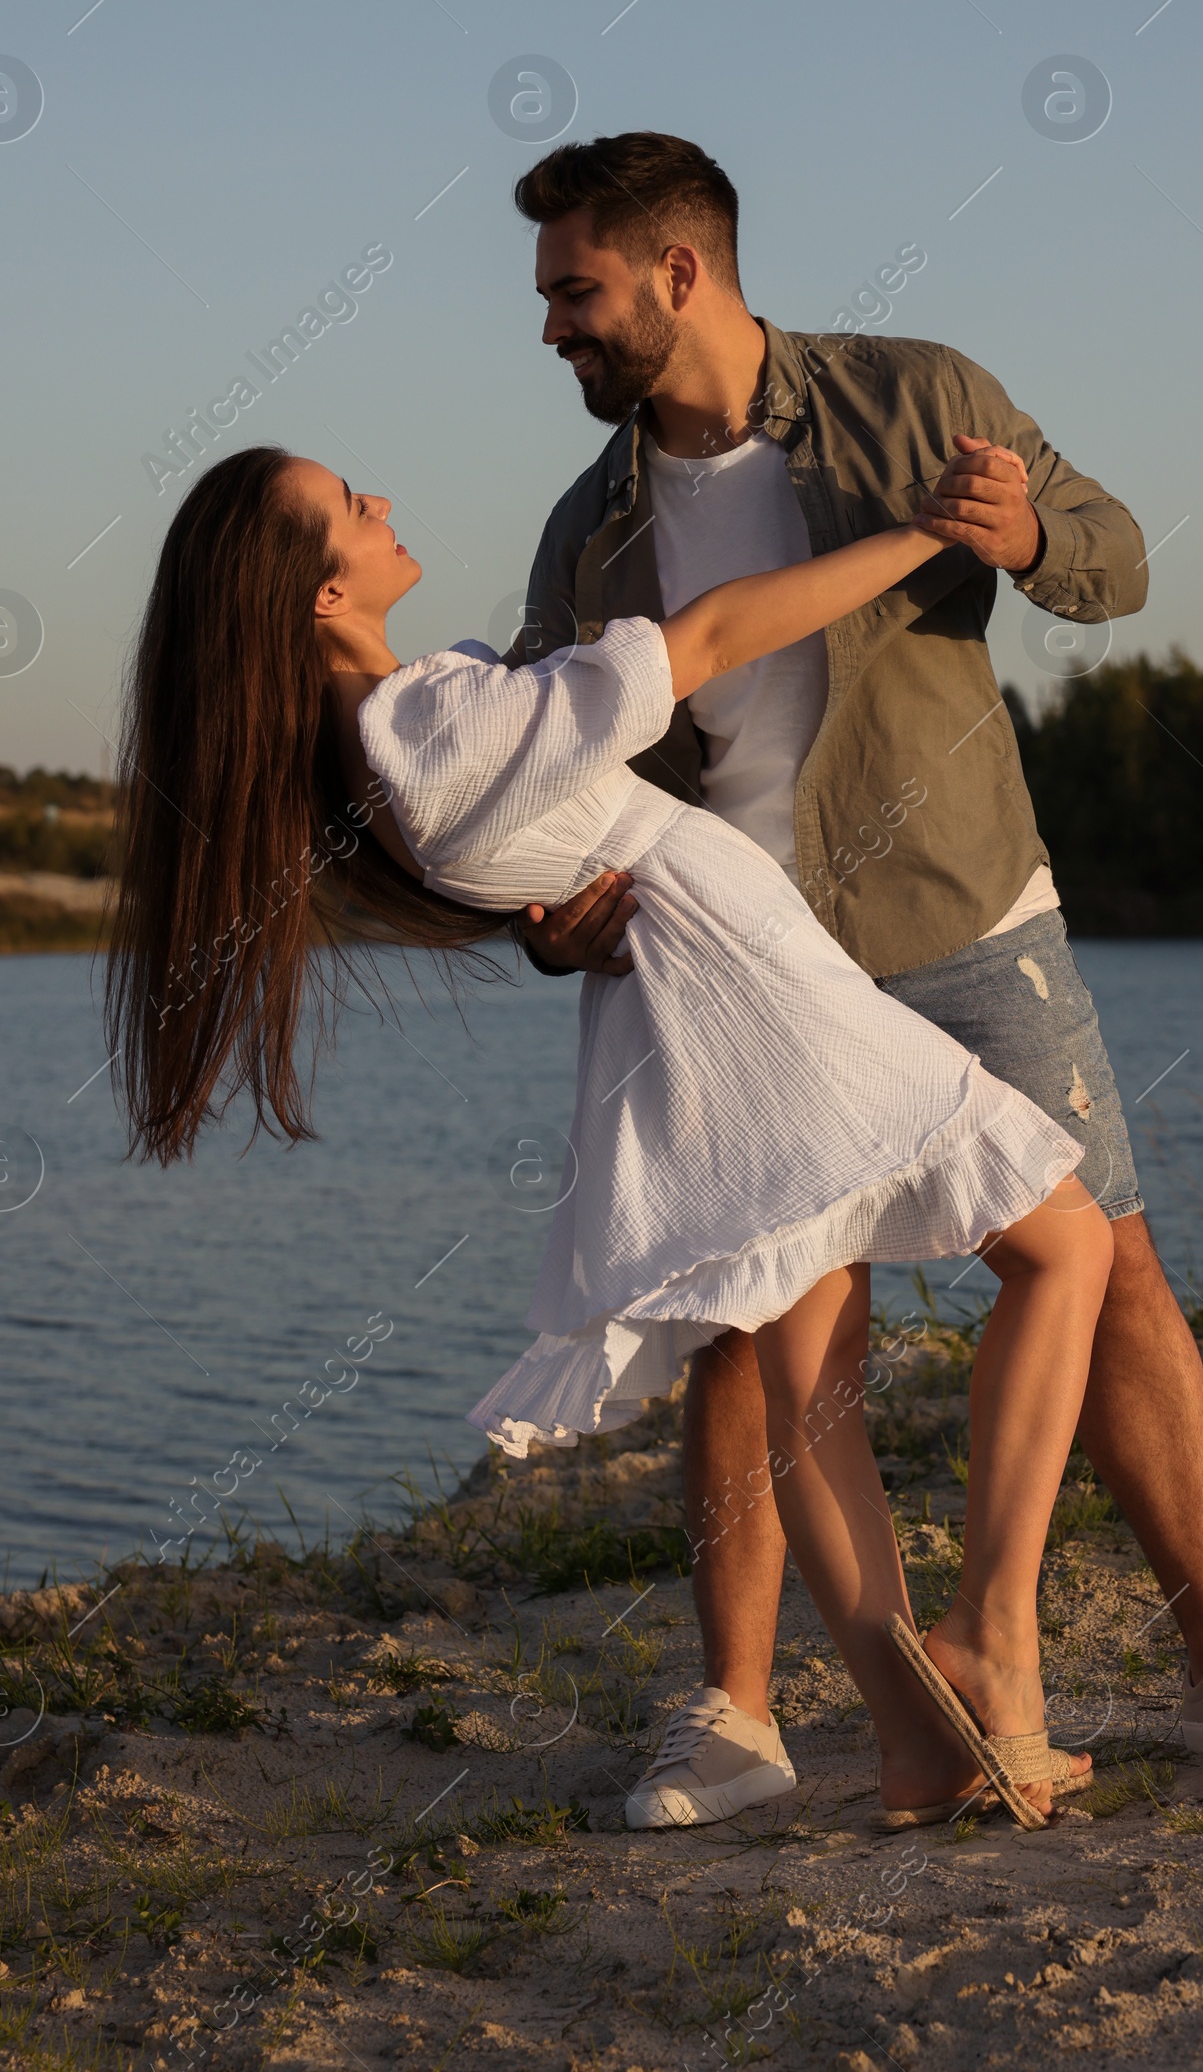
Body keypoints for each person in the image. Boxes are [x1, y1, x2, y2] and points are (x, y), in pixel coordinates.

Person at [507, 131, 1203, 1824]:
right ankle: (741, 1719)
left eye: (575, 291)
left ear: (683, 272)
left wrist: (1032, 529)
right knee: (760, 1334)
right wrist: (552, 914)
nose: (552, 328)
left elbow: (1117, 559)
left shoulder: (917, 394)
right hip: (739, 974)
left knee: (1101, 1262)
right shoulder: (589, 531)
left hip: (968, 919)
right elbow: (543, 780)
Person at [107, 442, 1117, 1827]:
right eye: (354, 503)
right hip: (757, 1006)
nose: (387, 498)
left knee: (810, 1382)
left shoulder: (386, 745)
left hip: (700, 1021)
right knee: (1064, 1245)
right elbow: (705, 637)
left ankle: (918, 1740)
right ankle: (990, 1638)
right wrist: (928, 539)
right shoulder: (428, 722)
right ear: (320, 594)